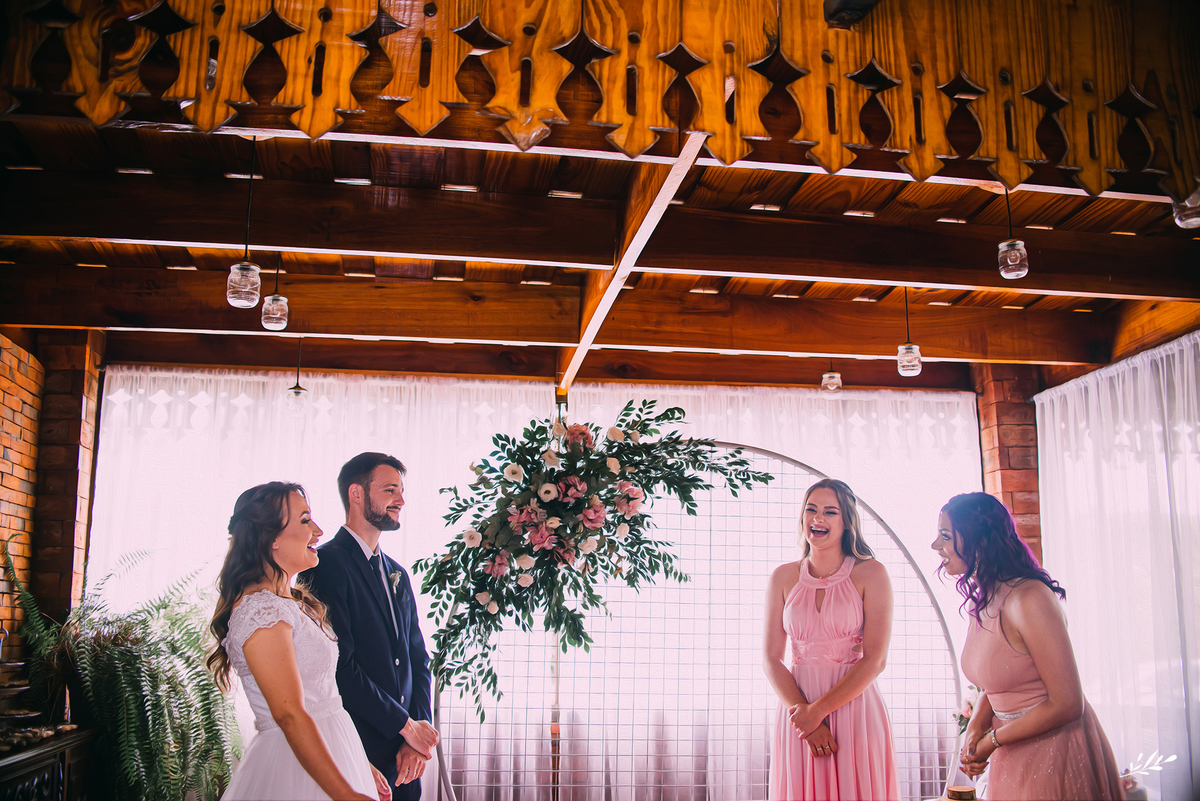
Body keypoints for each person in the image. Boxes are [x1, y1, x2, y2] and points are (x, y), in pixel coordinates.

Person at [933, 492, 1125, 801]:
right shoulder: (983, 598)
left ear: (978, 540)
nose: (935, 546)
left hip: (1055, 752)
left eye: (945, 536)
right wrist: (975, 731)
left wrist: (992, 740)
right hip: (1011, 753)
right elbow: (996, 685)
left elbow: (1067, 703)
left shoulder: (1029, 598)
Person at [208, 482, 390, 801]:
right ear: (272, 538)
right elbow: (290, 716)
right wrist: (346, 794)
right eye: (305, 520)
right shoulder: (261, 611)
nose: (318, 531)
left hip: (333, 757)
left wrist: (357, 764)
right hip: (292, 771)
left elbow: (322, 699)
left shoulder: (291, 604)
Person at [301, 453, 438, 799]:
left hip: (407, 761)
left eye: (402, 491)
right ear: (356, 494)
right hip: (357, 752)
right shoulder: (325, 565)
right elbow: (339, 667)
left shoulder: (398, 574)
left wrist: (417, 737)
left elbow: (418, 660)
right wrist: (405, 727)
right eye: (390, 489)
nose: (401, 500)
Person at [764, 478, 899, 800]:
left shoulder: (872, 573)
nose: (817, 518)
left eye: (829, 511)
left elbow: (875, 660)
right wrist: (805, 717)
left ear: (847, 521)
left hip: (855, 709)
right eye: (811, 510)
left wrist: (817, 712)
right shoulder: (783, 577)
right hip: (797, 710)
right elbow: (771, 659)